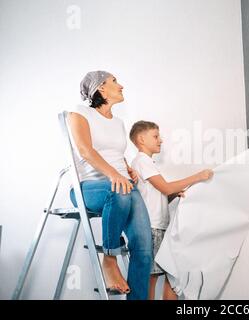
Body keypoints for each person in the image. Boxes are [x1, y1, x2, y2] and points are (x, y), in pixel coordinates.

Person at [69, 71, 152, 300]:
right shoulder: (79, 113)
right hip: (89, 187)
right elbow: (86, 150)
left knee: (144, 251)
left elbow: (114, 153)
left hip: (122, 186)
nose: (121, 85)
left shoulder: (118, 122)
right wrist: (115, 175)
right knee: (120, 190)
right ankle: (110, 258)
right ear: (101, 88)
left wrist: (126, 168)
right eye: (115, 81)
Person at [129, 120, 213, 300]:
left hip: (155, 226)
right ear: (141, 139)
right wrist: (197, 177)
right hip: (150, 227)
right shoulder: (142, 161)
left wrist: (174, 194)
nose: (161, 140)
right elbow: (165, 187)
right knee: (150, 279)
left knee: (163, 276)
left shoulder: (146, 163)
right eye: (156, 136)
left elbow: (157, 195)